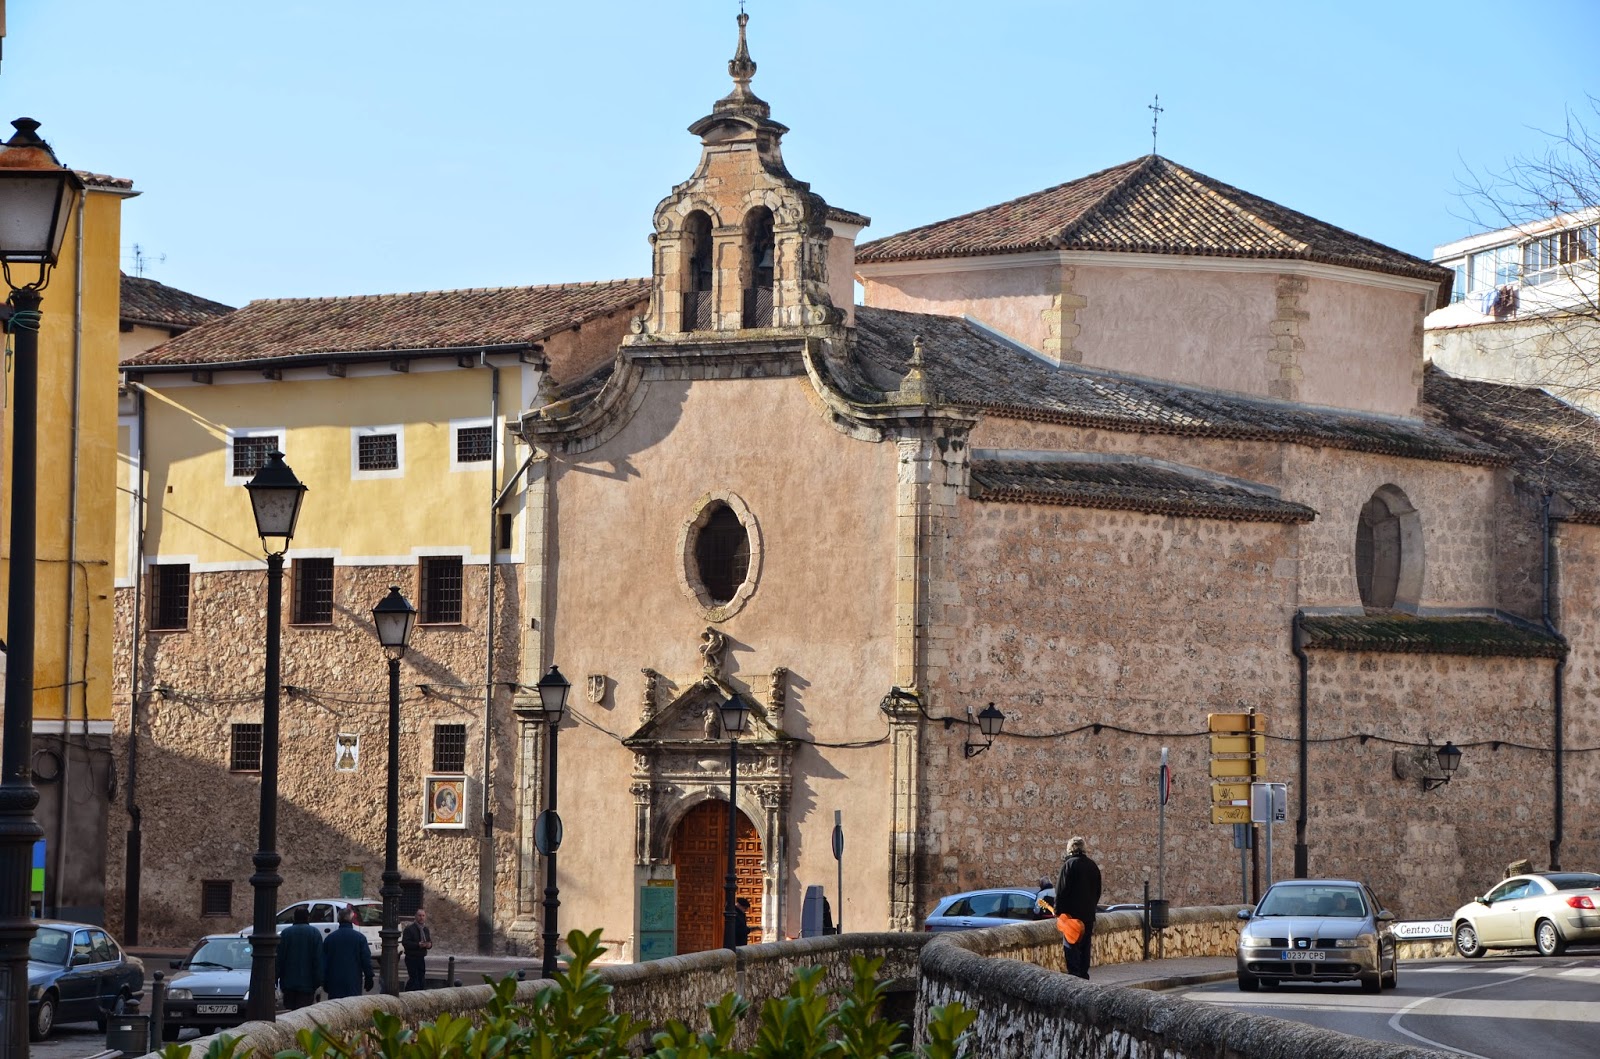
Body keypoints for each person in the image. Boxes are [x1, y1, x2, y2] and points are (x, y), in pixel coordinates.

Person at [1055, 835, 1102, 980]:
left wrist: (1058, 911)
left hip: (1071, 916)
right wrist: (1091, 907)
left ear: (1070, 850)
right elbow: (1097, 891)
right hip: (1088, 915)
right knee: (1085, 947)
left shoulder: (1068, 866)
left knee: (1071, 946)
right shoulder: (1093, 866)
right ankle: (1084, 975)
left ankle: (1074, 977)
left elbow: (1061, 891)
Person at [277, 906, 323, 1010]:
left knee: (290, 1012)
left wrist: (276, 980)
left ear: (294, 918)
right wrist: (319, 982)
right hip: (307, 984)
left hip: (288, 984)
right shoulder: (314, 933)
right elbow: (318, 960)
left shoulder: (285, 934)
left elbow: (279, 959)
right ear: (308, 917)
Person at [322, 908, 375, 999]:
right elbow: (366, 960)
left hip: (334, 981)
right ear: (352, 919)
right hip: (353, 980)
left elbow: (324, 962)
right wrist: (369, 977)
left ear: (339, 919)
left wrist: (324, 981)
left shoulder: (330, 938)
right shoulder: (360, 938)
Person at [401, 908, 433, 990]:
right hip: (411, 957)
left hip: (421, 957)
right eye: (419, 915)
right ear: (415, 916)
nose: (421, 917)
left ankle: (419, 994)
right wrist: (418, 945)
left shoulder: (425, 929)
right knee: (414, 979)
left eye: (423, 916)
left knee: (421, 978)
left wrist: (429, 945)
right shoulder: (409, 929)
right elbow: (405, 943)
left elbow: (429, 941)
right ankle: (408, 993)